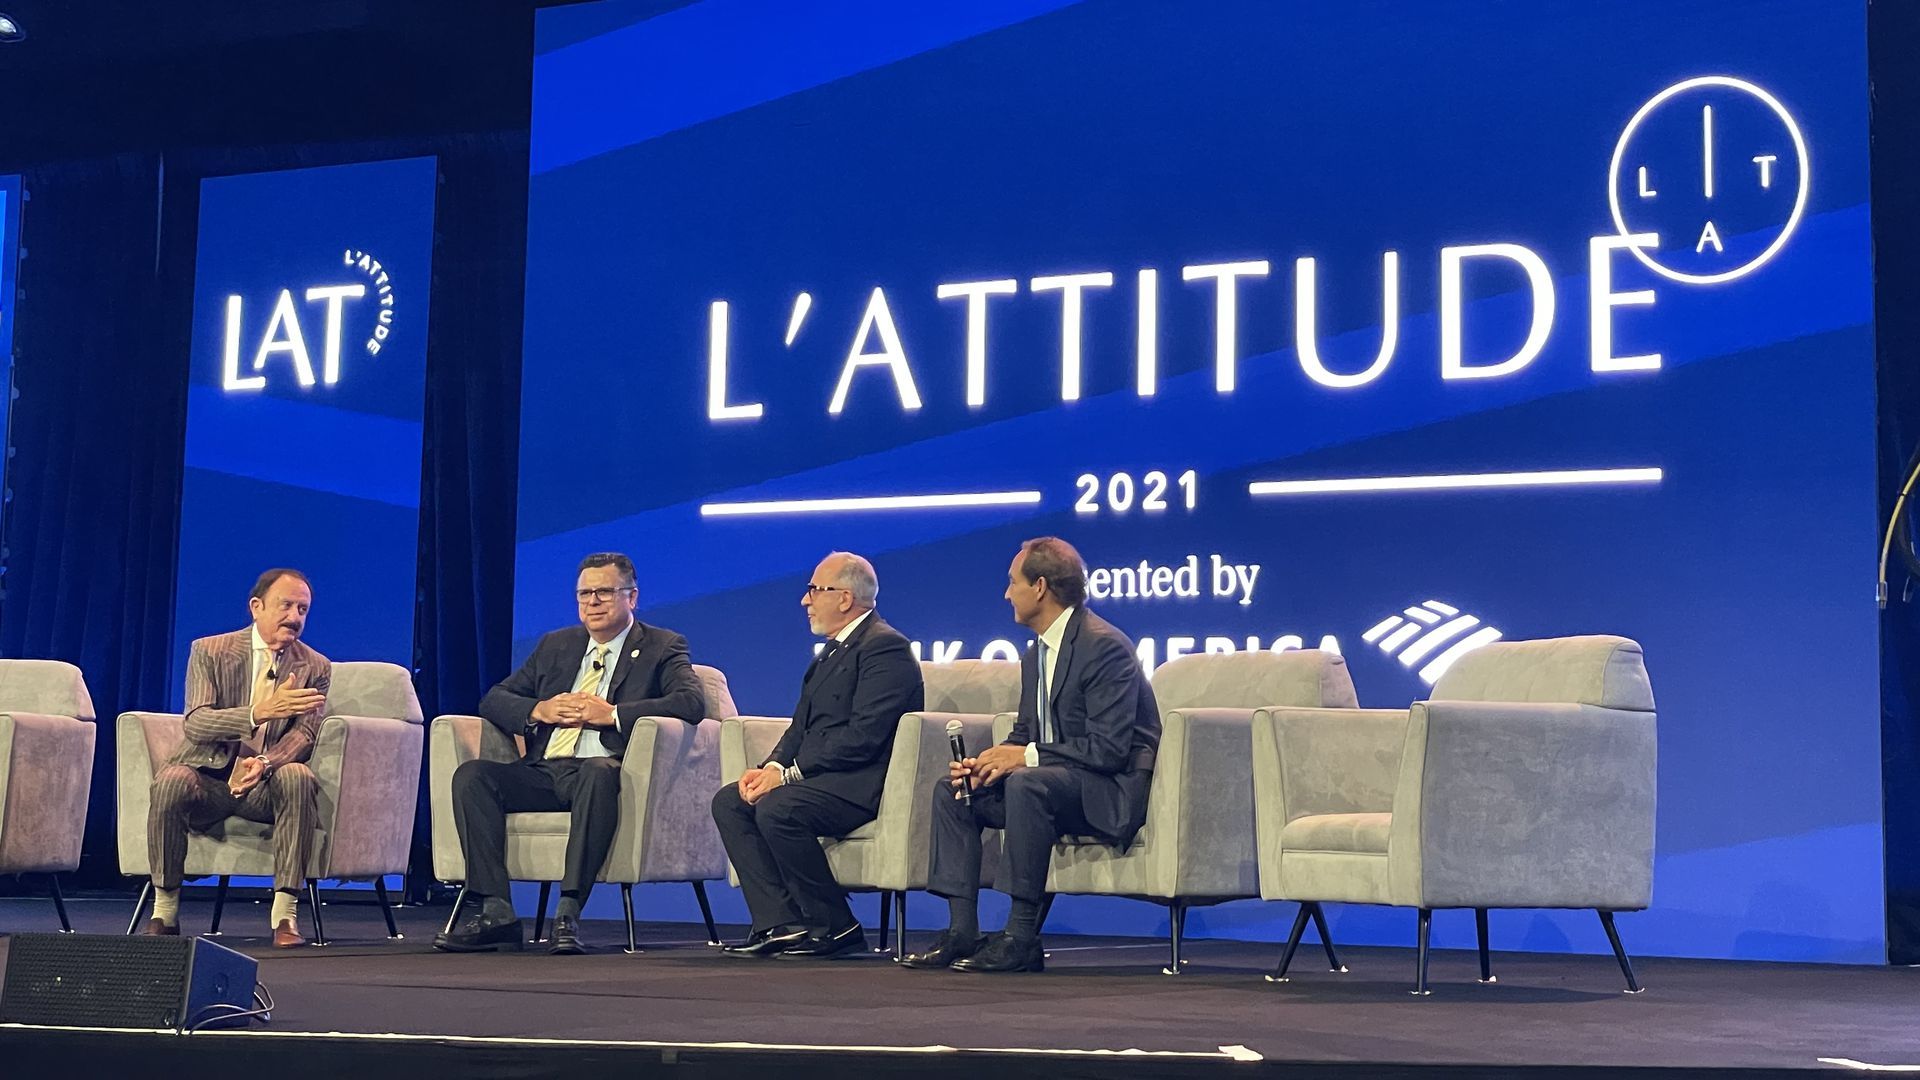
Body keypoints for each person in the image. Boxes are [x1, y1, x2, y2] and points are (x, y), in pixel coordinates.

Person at [903, 537, 1161, 973]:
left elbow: (1109, 749)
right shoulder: (1035, 654)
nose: (1007, 593)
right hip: (1056, 784)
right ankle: (962, 930)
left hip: (1107, 792)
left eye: (1012, 582)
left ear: (1039, 587)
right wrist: (989, 762)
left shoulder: (1105, 647)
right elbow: (1025, 734)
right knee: (955, 790)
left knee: (1027, 781)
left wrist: (1024, 758)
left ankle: (1022, 936)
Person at [439, 552, 705, 954]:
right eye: (584, 593)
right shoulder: (557, 645)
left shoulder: (661, 646)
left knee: (598, 771)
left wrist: (612, 714)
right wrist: (538, 710)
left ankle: (568, 911)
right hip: (546, 770)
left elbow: (690, 703)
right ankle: (497, 911)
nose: (592, 602)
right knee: (474, 776)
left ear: (632, 597)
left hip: (605, 771)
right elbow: (495, 698)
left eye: (603, 592)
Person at [711, 552, 923, 960]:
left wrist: (789, 775)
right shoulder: (830, 652)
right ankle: (782, 925)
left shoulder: (885, 649)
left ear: (844, 599)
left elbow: (865, 737)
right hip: (820, 780)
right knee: (731, 801)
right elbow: (800, 727)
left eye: (814, 590)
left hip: (859, 785)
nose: (805, 601)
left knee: (780, 809)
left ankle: (836, 926)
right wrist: (770, 767)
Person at [145, 568, 330, 948]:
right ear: (256, 607)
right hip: (209, 779)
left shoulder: (315, 666)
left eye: (303, 609)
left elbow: (305, 734)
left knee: (298, 775)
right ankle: (164, 910)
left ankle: (285, 916)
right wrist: (259, 712)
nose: (295, 617)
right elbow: (196, 723)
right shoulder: (210, 651)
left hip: (262, 785)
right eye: (286, 605)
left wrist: (264, 764)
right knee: (171, 780)